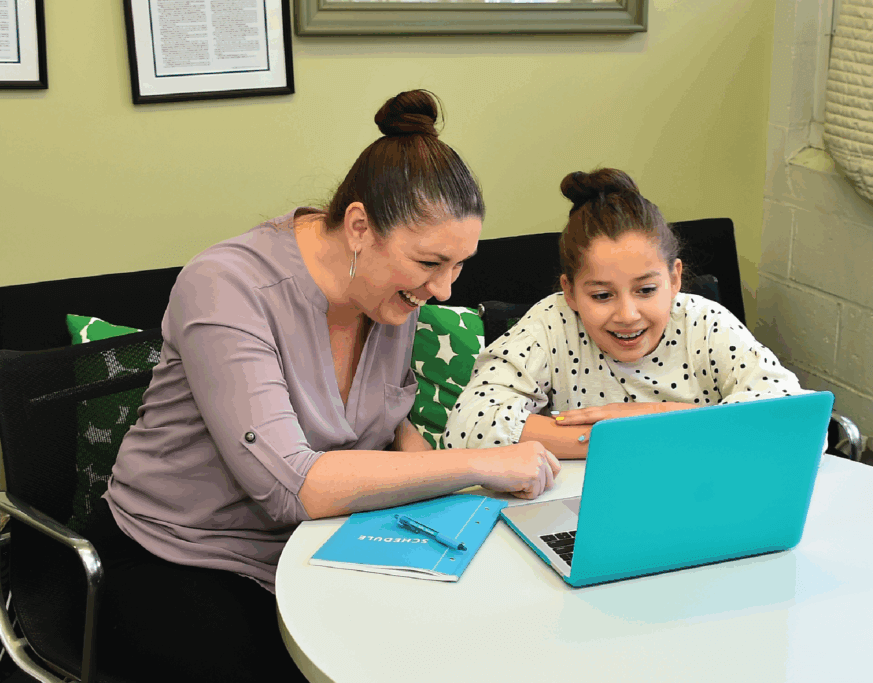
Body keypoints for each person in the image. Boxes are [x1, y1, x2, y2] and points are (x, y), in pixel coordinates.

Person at [87, 90, 559, 683]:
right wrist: (478, 464)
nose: (443, 290)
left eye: (458, 264)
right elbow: (293, 487)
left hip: (316, 546)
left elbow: (390, 419)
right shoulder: (224, 287)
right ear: (359, 227)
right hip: (182, 553)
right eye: (430, 263)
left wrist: (447, 507)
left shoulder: (389, 288)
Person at [443, 168, 806, 459]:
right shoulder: (551, 324)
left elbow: (796, 420)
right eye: (602, 295)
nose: (628, 315)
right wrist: (620, 437)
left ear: (674, 279)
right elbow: (466, 428)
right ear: (569, 292)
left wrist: (655, 416)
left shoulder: (705, 322)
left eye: (646, 290)